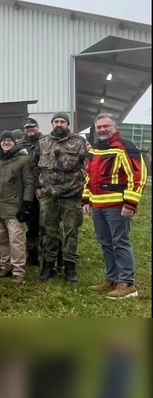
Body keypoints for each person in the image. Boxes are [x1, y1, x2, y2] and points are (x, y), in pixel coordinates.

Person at [83, 113, 147, 299]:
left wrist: (130, 203)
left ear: (114, 127)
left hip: (117, 207)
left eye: (106, 126)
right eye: (99, 127)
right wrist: (86, 200)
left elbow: (137, 175)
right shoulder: (96, 149)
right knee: (106, 243)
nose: (102, 129)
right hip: (98, 206)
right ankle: (111, 278)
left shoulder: (125, 146)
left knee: (120, 242)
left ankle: (127, 283)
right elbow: (90, 178)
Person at [35, 112, 88, 283]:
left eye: (62, 122)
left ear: (68, 124)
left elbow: (91, 165)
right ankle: (48, 265)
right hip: (48, 195)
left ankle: (69, 266)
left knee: (71, 231)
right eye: (56, 121)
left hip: (71, 194)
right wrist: (38, 187)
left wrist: (83, 185)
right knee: (48, 231)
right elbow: (34, 166)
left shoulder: (80, 142)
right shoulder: (42, 142)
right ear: (52, 124)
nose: (59, 124)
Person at [0, 131, 34, 283]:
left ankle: (18, 270)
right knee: (0, 239)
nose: (6, 143)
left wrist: (26, 204)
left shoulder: (23, 160)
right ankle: (6, 265)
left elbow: (29, 183)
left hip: (14, 207)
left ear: (14, 142)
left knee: (16, 240)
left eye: (9, 140)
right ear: (0, 143)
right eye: (3, 140)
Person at [18, 117, 44, 267]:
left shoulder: (47, 142)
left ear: (38, 127)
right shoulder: (20, 146)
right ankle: (33, 255)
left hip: (45, 190)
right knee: (32, 225)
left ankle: (52, 257)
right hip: (27, 191)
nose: (30, 129)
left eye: (32, 126)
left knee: (48, 225)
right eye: (27, 127)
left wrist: (40, 186)